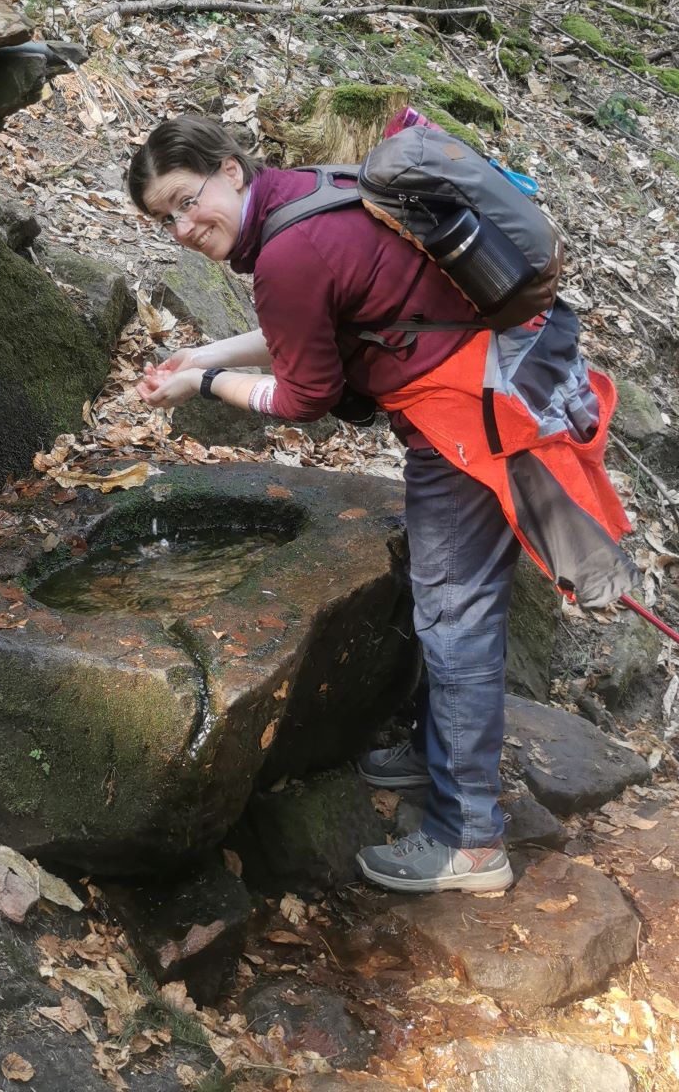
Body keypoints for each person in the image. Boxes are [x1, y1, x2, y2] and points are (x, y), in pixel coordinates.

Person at [129, 112, 630, 896]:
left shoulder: (284, 252)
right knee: (453, 605)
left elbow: (306, 393)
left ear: (230, 169)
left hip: (466, 418)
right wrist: (204, 352)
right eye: (168, 219)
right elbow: (315, 318)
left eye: (188, 201)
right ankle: (440, 752)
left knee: (454, 614)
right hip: (505, 376)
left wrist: (203, 385)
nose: (186, 227)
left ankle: (468, 838)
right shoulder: (306, 193)